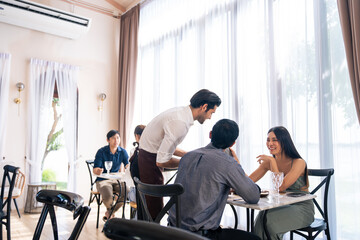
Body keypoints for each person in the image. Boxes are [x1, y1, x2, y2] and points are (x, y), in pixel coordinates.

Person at [168, 119, 260, 240]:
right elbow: (253, 197)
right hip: (200, 236)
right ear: (232, 143)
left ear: (210, 134)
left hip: (173, 232)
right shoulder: (227, 163)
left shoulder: (187, 156)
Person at [138, 89, 221, 219]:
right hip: (149, 161)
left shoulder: (180, 113)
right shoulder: (180, 123)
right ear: (204, 107)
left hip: (146, 156)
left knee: (150, 214)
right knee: (155, 215)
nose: (210, 117)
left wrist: (190, 155)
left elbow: (166, 146)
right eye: (211, 112)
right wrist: (189, 162)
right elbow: (162, 161)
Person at [248, 126, 314, 240]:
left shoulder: (299, 162)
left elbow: (281, 187)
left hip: (302, 208)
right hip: (283, 205)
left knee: (270, 223)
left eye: (274, 140)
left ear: (284, 141)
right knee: (261, 217)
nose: (270, 143)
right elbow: (248, 181)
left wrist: (272, 161)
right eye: (268, 140)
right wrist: (235, 163)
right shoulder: (269, 162)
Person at [93, 130, 129, 221]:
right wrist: (99, 170)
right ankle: (111, 212)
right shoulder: (101, 151)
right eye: (113, 138)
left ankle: (110, 212)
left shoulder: (122, 152)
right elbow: (95, 169)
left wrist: (129, 167)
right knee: (108, 197)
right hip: (102, 180)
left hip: (116, 179)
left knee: (127, 192)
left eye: (118, 138)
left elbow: (127, 165)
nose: (116, 140)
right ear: (108, 140)